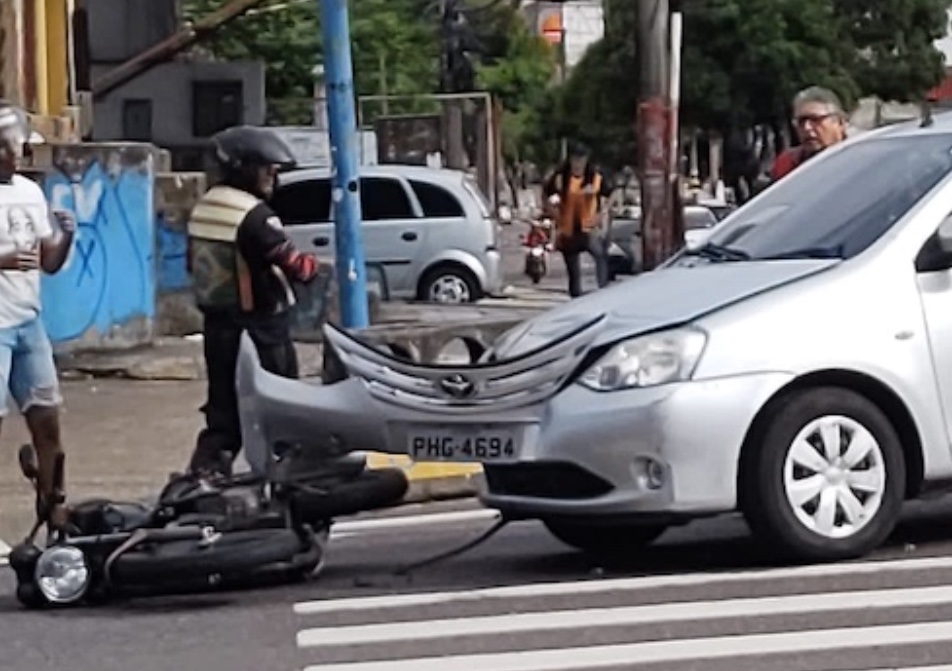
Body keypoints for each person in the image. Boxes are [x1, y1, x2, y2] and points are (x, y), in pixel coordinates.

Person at [186, 125, 319, 476]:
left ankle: (202, 481)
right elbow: (297, 267)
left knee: (222, 417)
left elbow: (192, 263)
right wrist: (313, 267)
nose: (273, 177)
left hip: (217, 328)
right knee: (283, 405)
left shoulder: (204, 207)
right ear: (243, 169)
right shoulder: (255, 216)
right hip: (260, 329)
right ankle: (289, 484)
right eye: (266, 169)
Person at [0, 101, 76, 528]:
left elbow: (47, 261)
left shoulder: (30, 192)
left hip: (30, 324)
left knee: (47, 423)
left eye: (16, 148)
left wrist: (65, 236)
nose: (15, 156)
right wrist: (4, 261)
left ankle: (54, 507)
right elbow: (14, 258)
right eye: (7, 148)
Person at [542, 144, 613, 298]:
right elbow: (546, 193)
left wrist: (601, 214)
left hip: (588, 228)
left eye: (581, 159)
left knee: (600, 255)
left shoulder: (595, 177)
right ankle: (576, 297)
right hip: (567, 229)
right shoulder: (561, 177)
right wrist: (552, 211)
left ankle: (604, 290)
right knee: (573, 271)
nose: (578, 163)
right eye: (575, 159)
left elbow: (608, 196)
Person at [771, 86, 848, 182]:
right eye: (801, 121)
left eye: (815, 120)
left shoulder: (860, 160)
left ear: (840, 122)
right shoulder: (786, 165)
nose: (807, 128)